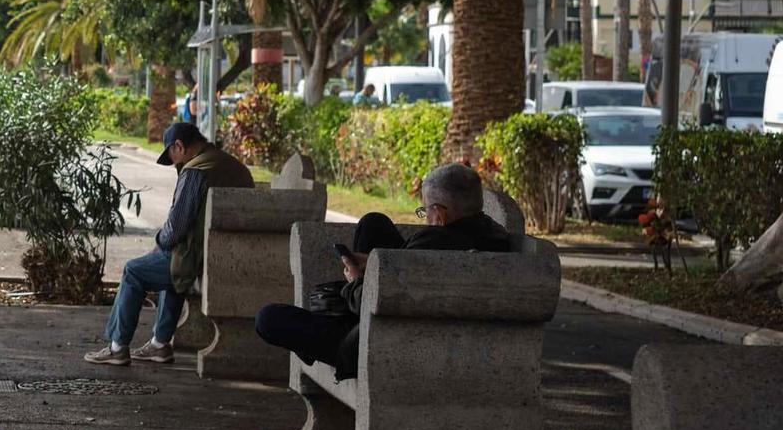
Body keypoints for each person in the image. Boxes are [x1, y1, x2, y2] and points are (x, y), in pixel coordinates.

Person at [253, 163, 512, 379]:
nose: (425, 218)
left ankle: (310, 344)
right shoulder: (495, 238)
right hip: (426, 331)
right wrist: (377, 264)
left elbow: (375, 301)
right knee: (372, 223)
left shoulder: (434, 245)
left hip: (377, 341)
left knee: (268, 318)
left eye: (425, 211)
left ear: (440, 214)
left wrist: (356, 280)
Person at [85, 121, 253, 366]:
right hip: (235, 255)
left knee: (135, 270)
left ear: (179, 146)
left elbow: (176, 228)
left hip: (200, 259)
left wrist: (159, 243)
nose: (174, 162)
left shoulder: (196, 170)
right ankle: (160, 345)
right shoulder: (233, 166)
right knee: (169, 264)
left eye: (172, 155)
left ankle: (117, 347)